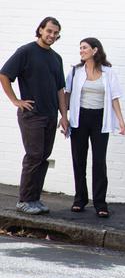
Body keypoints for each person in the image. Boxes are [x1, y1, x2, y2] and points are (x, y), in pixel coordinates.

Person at [0, 17, 68, 215]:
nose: (52, 35)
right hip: (32, 115)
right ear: (40, 30)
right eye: (49, 31)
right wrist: (16, 101)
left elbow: (60, 90)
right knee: (34, 155)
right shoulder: (26, 51)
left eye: (55, 33)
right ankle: (24, 200)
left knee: (43, 157)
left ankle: (35, 199)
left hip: (50, 115)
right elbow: (4, 75)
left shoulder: (56, 58)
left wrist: (64, 116)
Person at [65, 38, 125, 218]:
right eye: (80, 48)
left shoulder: (108, 72)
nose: (81, 51)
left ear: (95, 50)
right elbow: (66, 94)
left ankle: (100, 202)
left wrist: (121, 121)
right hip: (80, 118)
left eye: (84, 48)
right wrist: (64, 118)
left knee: (99, 161)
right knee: (79, 160)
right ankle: (80, 199)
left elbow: (115, 97)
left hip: (100, 119)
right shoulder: (75, 72)